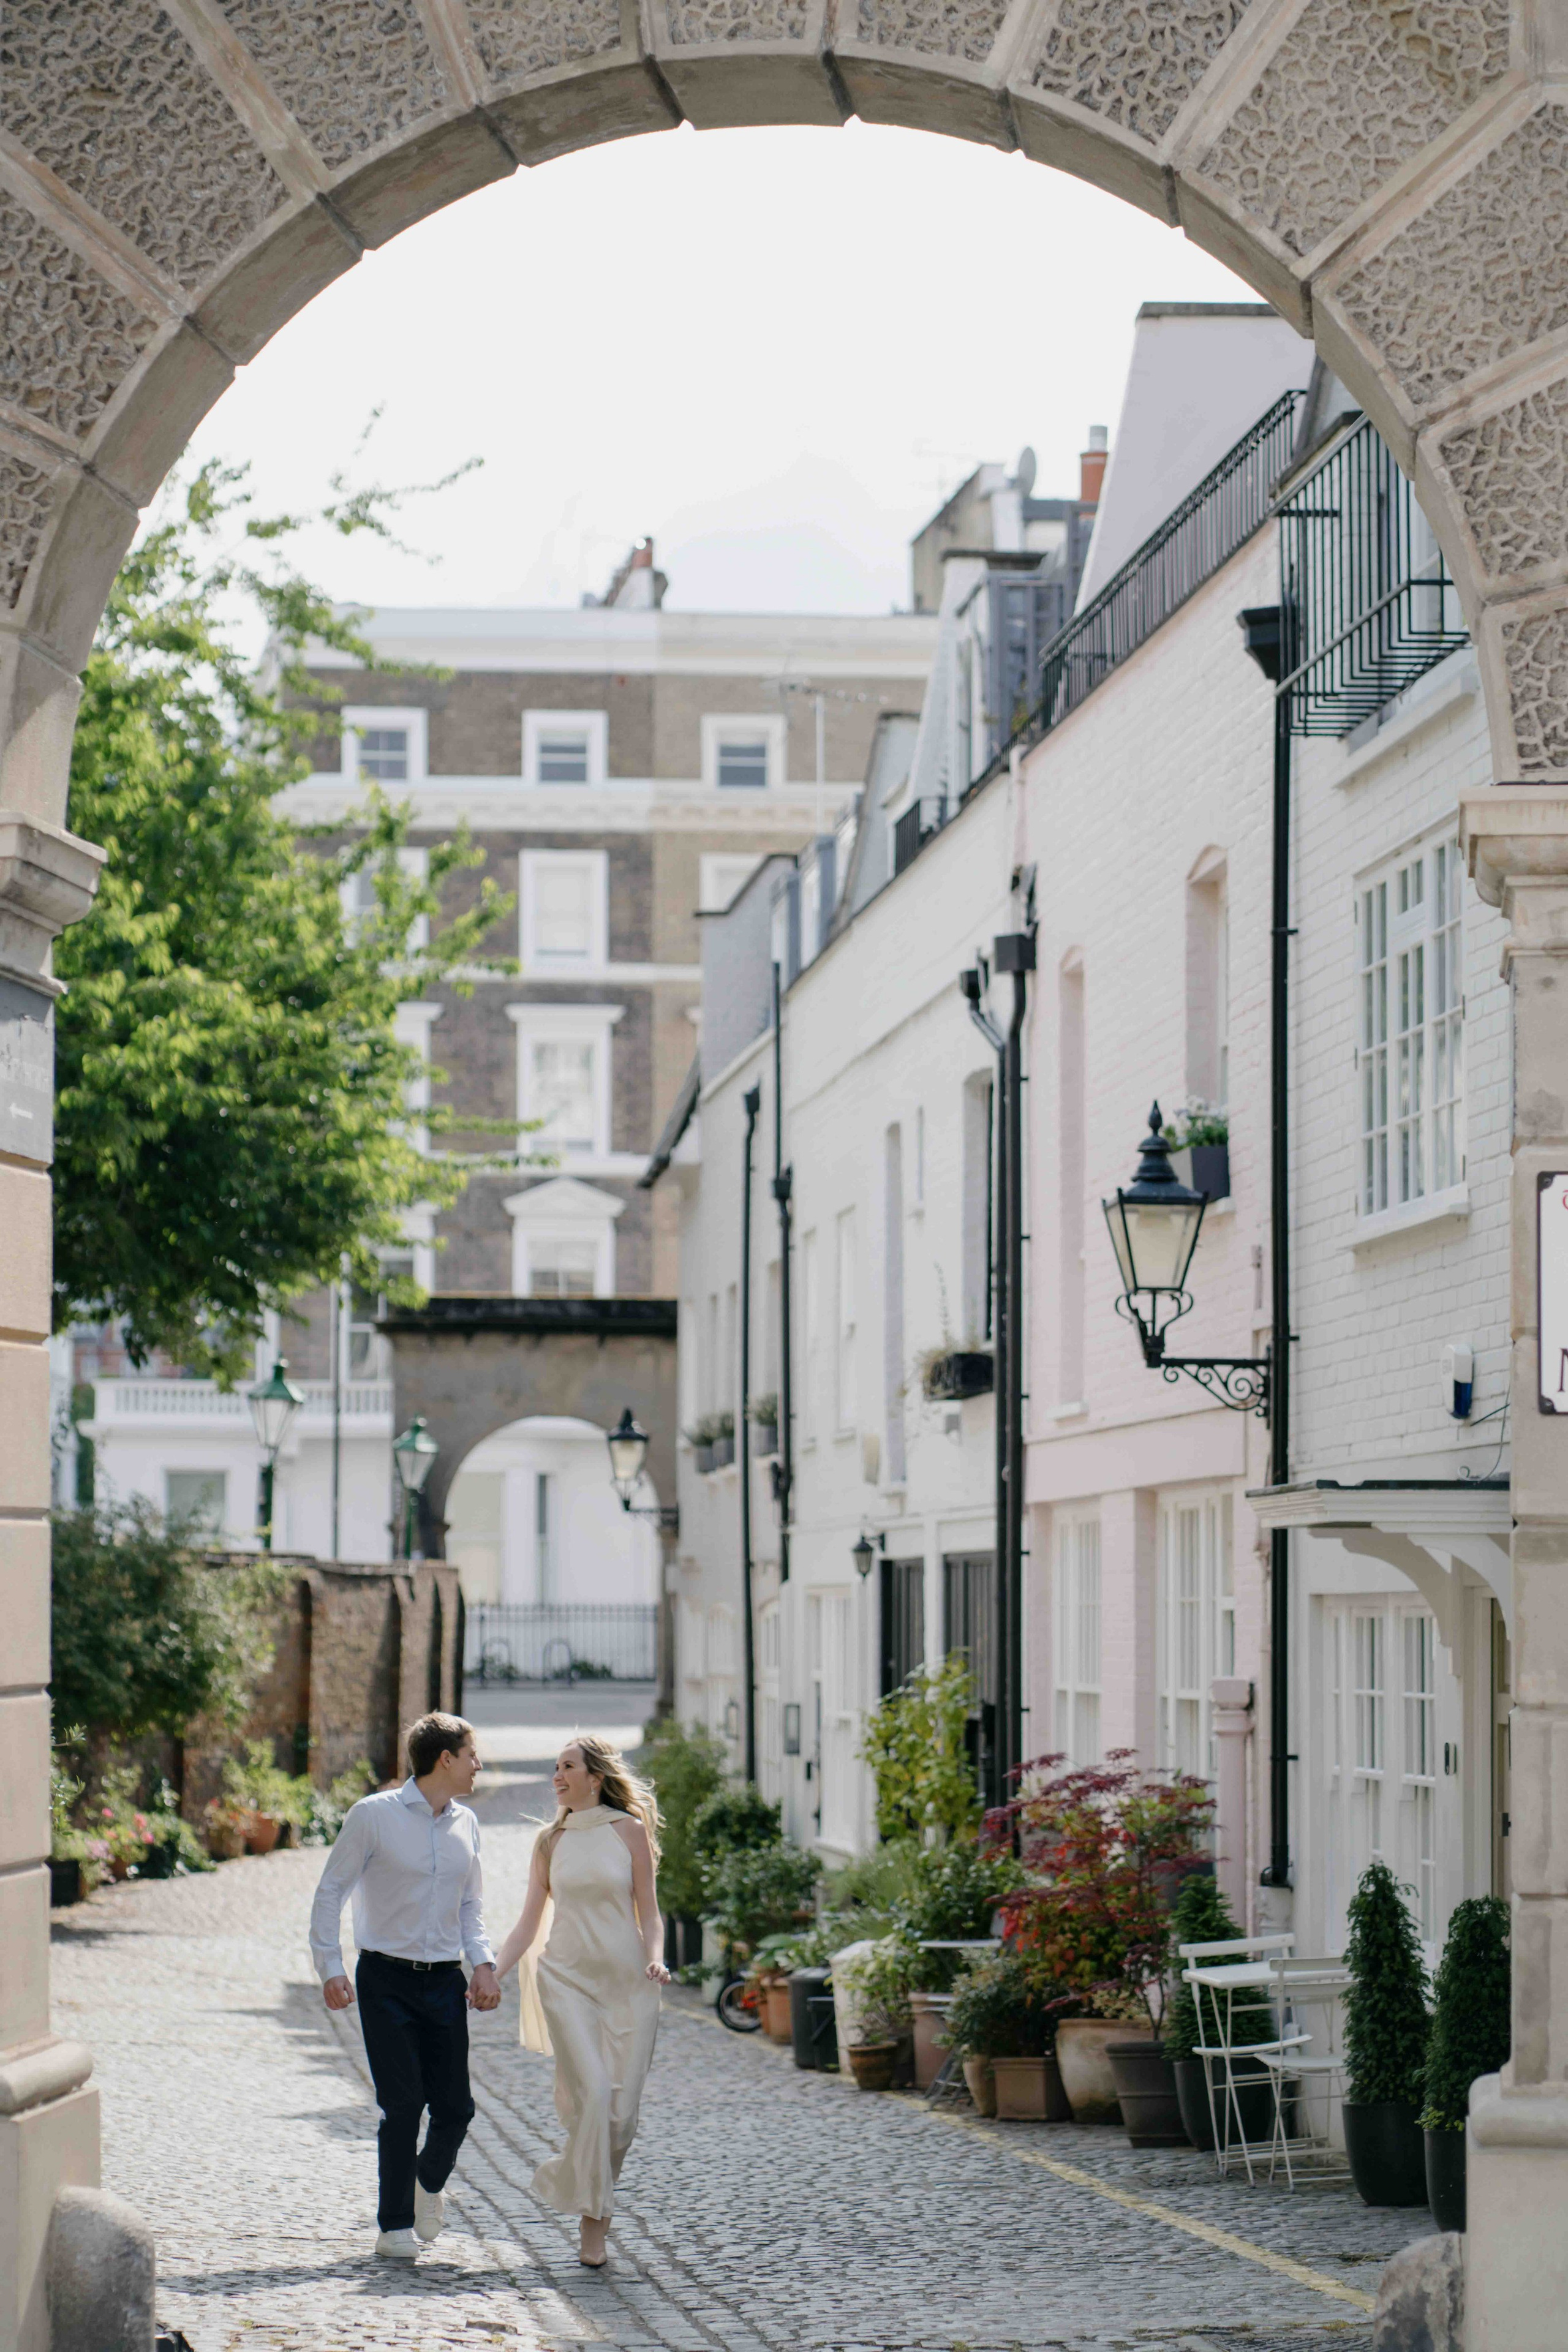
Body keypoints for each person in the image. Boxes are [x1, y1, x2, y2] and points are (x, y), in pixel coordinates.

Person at [309, 1711, 501, 2260]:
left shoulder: (468, 1823)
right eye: (471, 1756)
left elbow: (471, 1904)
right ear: (445, 1759)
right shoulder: (373, 1816)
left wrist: (482, 1963)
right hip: (385, 1979)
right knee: (403, 2103)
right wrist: (330, 1966)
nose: (478, 1765)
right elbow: (331, 1892)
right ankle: (394, 2226)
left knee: (456, 2109)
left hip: (445, 1981)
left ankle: (425, 2186)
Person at [493, 1734, 669, 2269]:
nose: (557, 1775)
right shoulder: (550, 1841)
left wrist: (656, 1957)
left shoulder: (630, 1832)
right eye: (555, 1767)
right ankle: (594, 2232)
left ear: (596, 1777)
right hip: (566, 1981)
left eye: (567, 1766)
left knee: (620, 2119)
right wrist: (491, 1973)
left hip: (630, 1988)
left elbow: (650, 1913)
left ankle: (575, 2182)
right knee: (593, 2094)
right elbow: (528, 1924)